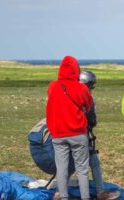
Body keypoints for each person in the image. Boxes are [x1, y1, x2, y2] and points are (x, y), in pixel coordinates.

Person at [46, 56, 93, 200]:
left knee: (61, 169)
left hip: (58, 134)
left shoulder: (53, 86)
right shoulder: (82, 88)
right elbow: (89, 105)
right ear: (76, 70)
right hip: (78, 133)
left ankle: (64, 197)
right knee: (82, 170)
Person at [79, 70, 121, 200]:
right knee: (88, 164)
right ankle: (99, 193)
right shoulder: (87, 98)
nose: (92, 88)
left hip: (66, 136)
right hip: (80, 136)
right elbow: (91, 120)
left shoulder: (65, 95)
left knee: (69, 165)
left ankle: (61, 192)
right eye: (91, 85)